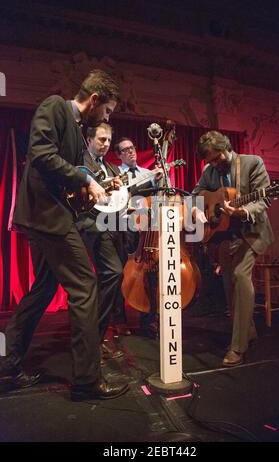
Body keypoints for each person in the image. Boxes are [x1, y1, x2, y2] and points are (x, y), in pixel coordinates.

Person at [0, 69, 129, 401]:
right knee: (85, 287)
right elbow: (42, 156)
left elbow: (70, 179)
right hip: (47, 218)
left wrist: (93, 188)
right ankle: (87, 381)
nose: (107, 117)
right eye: (108, 111)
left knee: (43, 289)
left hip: (51, 217)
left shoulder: (76, 129)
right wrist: (87, 182)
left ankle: (8, 366)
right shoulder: (56, 106)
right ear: (95, 99)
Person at [192, 130, 274, 367]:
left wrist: (243, 211)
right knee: (228, 283)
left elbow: (264, 199)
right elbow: (197, 194)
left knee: (240, 274)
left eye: (217, 158)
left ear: (226, 147)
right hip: (227, 234)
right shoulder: (211, 171)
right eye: (210, 161)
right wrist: (199, 210)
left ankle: (238, 347)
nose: (214, 164)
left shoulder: (252, 163)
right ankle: (247, 330)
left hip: (252, 232)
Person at [75, 122, 130, 366]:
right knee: (110, 274)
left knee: (112, 275)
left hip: (108, 226)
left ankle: (97, 337)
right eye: (101, 139)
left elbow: (107, 197)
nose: (106, 144)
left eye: (108, 140)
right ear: (89, 139)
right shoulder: (81, 160)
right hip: (89, 226)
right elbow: (78, 192)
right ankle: (94, 338)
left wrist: (116, 186)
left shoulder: (107, 165)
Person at [114, 137, 162, 338]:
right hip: (124, 227)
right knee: (119, 272)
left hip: (145, 228)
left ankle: (148, 319)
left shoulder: (147, 173)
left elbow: (157, 199)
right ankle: (119, 320)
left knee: (148, 271)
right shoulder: (116, 174)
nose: (131, 152)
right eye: (126, 150)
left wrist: (159, 181)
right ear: (119, 155)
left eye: (133, 148)